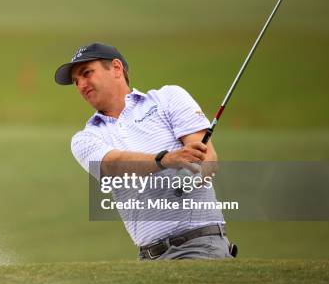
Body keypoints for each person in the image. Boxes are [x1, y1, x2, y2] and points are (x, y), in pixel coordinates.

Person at [55, 42, 237, 260]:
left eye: (87, 73)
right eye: (76, 81)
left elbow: (208, 158)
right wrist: (165, 160)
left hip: (198, 244)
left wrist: (192, 177)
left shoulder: (168, 98)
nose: (81, 84)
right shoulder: (85, 138)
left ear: (116, 68)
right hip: (149, 257)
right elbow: (111, 165)